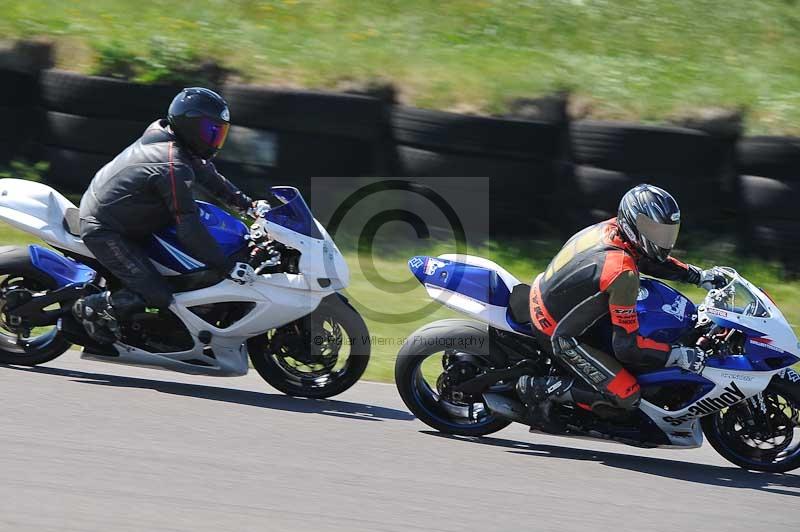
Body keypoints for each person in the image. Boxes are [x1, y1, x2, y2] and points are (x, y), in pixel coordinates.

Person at [518, 184, 721, 432]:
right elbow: (627, 348)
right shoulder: (623, 273)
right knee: (627, 396)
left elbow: (649, 259)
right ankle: (541, 387)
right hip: (558, 332)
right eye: (654, 230)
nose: (662, 239)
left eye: (666, 231)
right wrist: (677, 355)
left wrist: (697, 276)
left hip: (550, 294)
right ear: (633, 223)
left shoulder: (611, 229)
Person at [74, 87, 256, 343]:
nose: (216, 138)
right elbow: (188, 226)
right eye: (211, 130)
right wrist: (227, 267)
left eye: (220, 131)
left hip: (133, 218)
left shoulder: (176, 144)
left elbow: (211, 177)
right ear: (190, 126)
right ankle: (93, 308)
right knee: (158, 294)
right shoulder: (171, 163)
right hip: (106, 229)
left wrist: (250, 206)